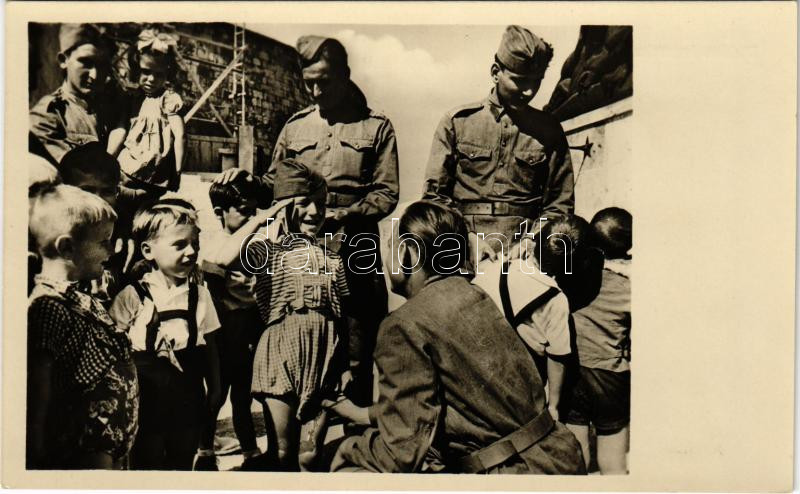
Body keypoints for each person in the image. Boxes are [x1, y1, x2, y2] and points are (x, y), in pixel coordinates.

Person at [328, 201, 585, 474]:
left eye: (390, 245)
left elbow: (402, 453)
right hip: (558, 456)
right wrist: (362, 414)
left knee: (345, 468)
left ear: (406, 253)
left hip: (512, 475)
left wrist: (347, 449)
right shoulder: (475, 294)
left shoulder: (403, 325)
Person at [215, 35, 399, 406]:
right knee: (303, 343)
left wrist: (343, 215)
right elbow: (273, 187)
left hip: (354, 248)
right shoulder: (295, 127)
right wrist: (247, 181)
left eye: (324, 81)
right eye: (308, 82)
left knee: (357, 350)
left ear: (345, 75)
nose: (315, 92)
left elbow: (386, 193)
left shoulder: (376, 126)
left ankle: (355, 434)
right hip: (300, 253)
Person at [216, 159, 351, 471]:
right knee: (282, 454)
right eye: (303, 204)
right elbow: (221, 258)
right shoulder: (268, 251)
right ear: (284, 207)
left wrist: (344, 366)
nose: (315, 212)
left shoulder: (332, 257)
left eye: (321, 204)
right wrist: (268, 215)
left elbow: (342, 316)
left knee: (309, 456)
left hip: (324, 359)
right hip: (280, 357)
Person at [422, 25, 574, 263]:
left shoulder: (549, 130)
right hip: (462, 248)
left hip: (525, 253)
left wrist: (532, 240)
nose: (529, 91)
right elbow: (434, 196)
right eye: (520, 81)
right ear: (495, 72)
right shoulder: (457, 122)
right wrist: (466, 238)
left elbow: (560, 203)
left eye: (537, 81)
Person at [27, 184, 139, 469]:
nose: (112, 250)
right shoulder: (49, 305)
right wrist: (34, 442)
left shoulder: (78, 297)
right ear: (67, 247)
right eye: (104, 241)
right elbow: (39, 378)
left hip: (107, 441)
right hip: (83, 443)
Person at [109, 200, 222, 470]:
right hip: (146, 392)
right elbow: (113, 345)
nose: (191, 251)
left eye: (195, 244)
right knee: (146, 459)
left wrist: (216, 387)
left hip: (188, 390)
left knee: (182, 457)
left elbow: (211, 344)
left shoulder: (200, 295)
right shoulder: (133, 295)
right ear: (148, 251)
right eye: (179, 245)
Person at [193, 175, 278, 471]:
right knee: (217, 395)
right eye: (244, 211)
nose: (251, 218)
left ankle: (250, 452)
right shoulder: (216, 247)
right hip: (225, 329)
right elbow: (214, 295)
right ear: (220, 213)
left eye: (254, 212)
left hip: (249, 326)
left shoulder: (255, 242)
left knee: (243, 395)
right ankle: (205, 451)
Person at [564, 207, 631, 474]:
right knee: (613, 464)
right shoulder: (629, 286)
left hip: (572, 371)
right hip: (610, 375)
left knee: (575, 457)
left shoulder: (571, 276)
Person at [471, 247, 572, 421]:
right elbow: (558, 355)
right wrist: (553, 406)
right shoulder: (555, 297)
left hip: (483, 367)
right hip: (525, 381)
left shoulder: (492, 266)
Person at [30, 23, 126, 167]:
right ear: (64, 60)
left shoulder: (110, 106)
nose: (94, 75)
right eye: (86, 62)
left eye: (102, 65)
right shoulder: (47, 115)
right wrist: (117, 140)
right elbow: (81, 175)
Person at [58, 143, 140, 304]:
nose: (98, 200)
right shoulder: (49, 233)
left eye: (107, 192)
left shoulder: (121, 231)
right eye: (86, 191)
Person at [117, 29, 185, 204]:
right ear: (136, 70)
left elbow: (180, 135)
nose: (152, 79)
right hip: (128, 167)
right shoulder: (133, 98)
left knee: (146, 207)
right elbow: (121, 131)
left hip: (154, 174)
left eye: (159, 74)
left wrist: (177, 171)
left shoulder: (168, 99)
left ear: (167, 74)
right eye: (146, 72)